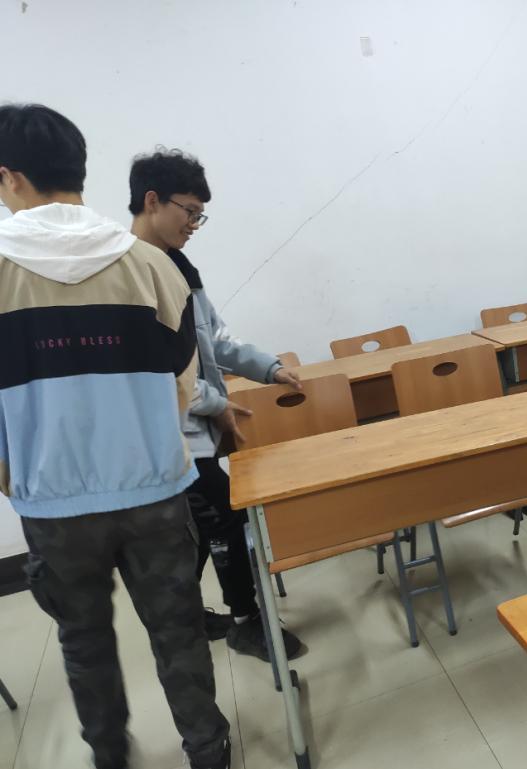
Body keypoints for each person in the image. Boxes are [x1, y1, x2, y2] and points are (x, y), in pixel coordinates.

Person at [0, 105, 230, 768]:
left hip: (53, 499)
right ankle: (208, 749)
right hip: (154, 487)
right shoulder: (152, 265)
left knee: (83, 639)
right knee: (178, 629)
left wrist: (15, 477)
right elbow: (183, 382)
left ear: (9, 177)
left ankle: (108, 753)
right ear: (79, 169)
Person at [129, 148, 303, 662]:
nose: (194, 224)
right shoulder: (127, 274)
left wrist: (268, 367)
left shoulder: (180, 267)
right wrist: (213, 403)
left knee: (203, 531)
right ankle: (246, 622)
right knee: (226, 520)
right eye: (189, 211)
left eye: (200, 215)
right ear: (152, 200)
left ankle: (190, 615)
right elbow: (155, 368)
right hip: (169, 437)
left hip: (196, 429)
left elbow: (215, 341)